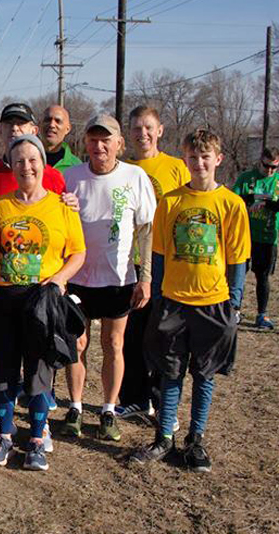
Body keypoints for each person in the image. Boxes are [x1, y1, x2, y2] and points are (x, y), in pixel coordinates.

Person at [130, 128, 249, 473]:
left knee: (204, 373)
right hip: (175, 302)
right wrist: (157, 291)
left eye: (205, 157)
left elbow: (238, 258)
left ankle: (195, 439)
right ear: (185, 159)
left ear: (218, 159)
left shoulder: (231, 204)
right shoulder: (170, 202)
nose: (199, 163)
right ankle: (164, 437)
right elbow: (160, 252)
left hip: (214, 302)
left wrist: (235, 305)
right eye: (193, 157)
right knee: (170, 372)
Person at [0, 135, 86, 470]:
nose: (27, 166)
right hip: (3, 298)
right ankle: (6, 436)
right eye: (20, 160)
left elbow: (78, 252)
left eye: (33, 159)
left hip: (43, 301)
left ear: (43, 163)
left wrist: (58, 280)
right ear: (11, 165)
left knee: (40, 370)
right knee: (3, 370)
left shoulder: (61, 206)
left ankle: (38, 437)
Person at [62, 114, 156, 442]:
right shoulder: (70, 177)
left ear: (119, 143)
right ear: (85, 142)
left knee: (114, 344)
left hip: (119, 278)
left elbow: (146, 231)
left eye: (106, 140)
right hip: (78, 277)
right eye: (93, 139)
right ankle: (74, 407)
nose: (99, 146)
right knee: (77, 343)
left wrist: (145, 278)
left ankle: (108, 410)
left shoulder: (135, 176)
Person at [118, 105, 191, 421]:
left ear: (160, 130)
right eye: (136, 128)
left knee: (164, 337)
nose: (142, 133)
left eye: (148, 127)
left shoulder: (176, 167)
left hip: (165, 263)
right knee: (130, 336)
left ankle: (164, 406)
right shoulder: (122, 167)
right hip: (128, 262)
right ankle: (136, 399)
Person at [0, 103, 65, 204]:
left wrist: (72, 201)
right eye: (8, 123)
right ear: (0, 130)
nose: (14, 128)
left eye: (21, 123)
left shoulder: (53, 177)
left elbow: (65, 213)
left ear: (34, 130)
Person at [232, 146, 279, 329]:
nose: (270, 171)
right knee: (239, 273)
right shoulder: (246, 178)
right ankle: (235, 310)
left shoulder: (277, 182)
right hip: (244, 235)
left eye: (274, 168)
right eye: (267, 166)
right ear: (260, 161)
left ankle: (262, 314)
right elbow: (235, 200)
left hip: (267, 237)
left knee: (263, 276)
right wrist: (250, 202)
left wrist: (264, 202)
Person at [40, 105, 82, 173]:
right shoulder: (27, 161)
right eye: (47, 120)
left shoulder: (76, 166)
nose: (51, 125)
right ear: (40, 125)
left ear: (68, 129)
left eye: (58, 121)